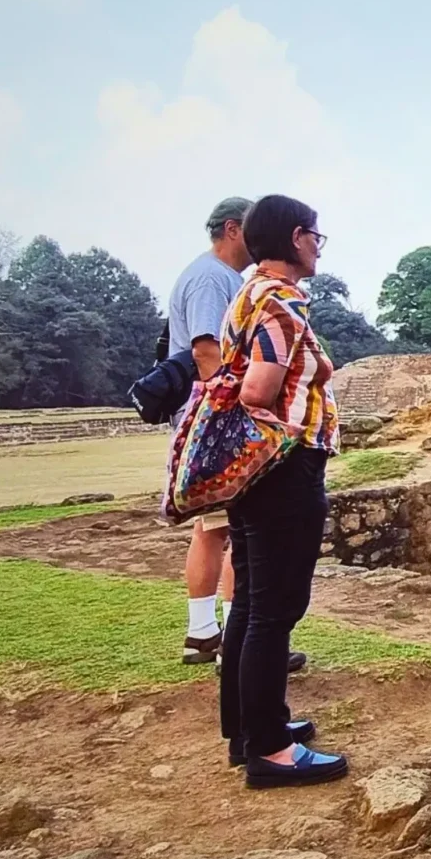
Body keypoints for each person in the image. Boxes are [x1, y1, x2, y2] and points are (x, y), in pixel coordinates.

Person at [218, 193, 346, 788]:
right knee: (275, 609)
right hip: (281, 470)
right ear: (297, 238)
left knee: (250, 602)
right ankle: (269, 749)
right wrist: (289, 446)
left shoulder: (247, 294)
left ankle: (249, 730)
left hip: (250, 474)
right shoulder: (280, 304)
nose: (320, 247)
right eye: (317, 237)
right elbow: (256, 392)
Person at [166, 197, 306, 675]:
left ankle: (210, 630)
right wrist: (246, 434)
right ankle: (232, 636)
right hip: (230, 424)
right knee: (232, 536)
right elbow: (208, 355)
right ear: (233, 229)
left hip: (222, 420)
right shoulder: (212, 279)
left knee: (221, 531)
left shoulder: (226, 280)